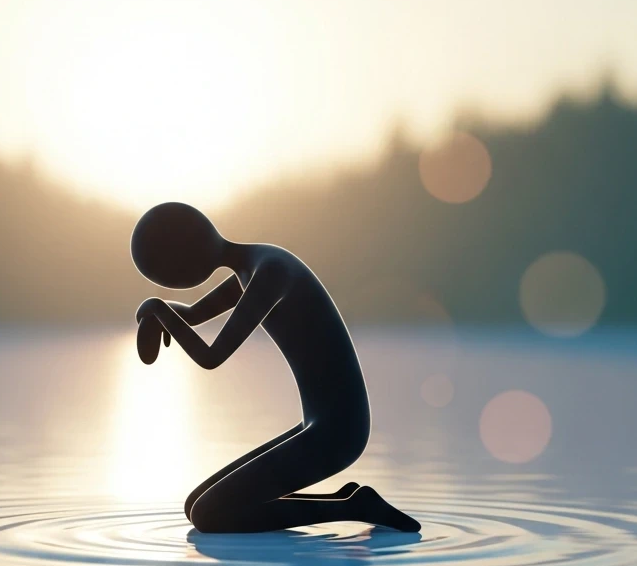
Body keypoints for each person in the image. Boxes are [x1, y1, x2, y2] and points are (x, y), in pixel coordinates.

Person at [131, 202, 420, 535]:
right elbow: (193, 315)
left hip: (339, 433)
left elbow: (212, 355)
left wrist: (156, 308)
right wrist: (154, 311)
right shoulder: (252, 267)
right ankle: (344, 498)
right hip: (319, 425)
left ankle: (353, 507)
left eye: (167, 274)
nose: (173, 283)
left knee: (210, 515)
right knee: (195, 504)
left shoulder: (270, 273)